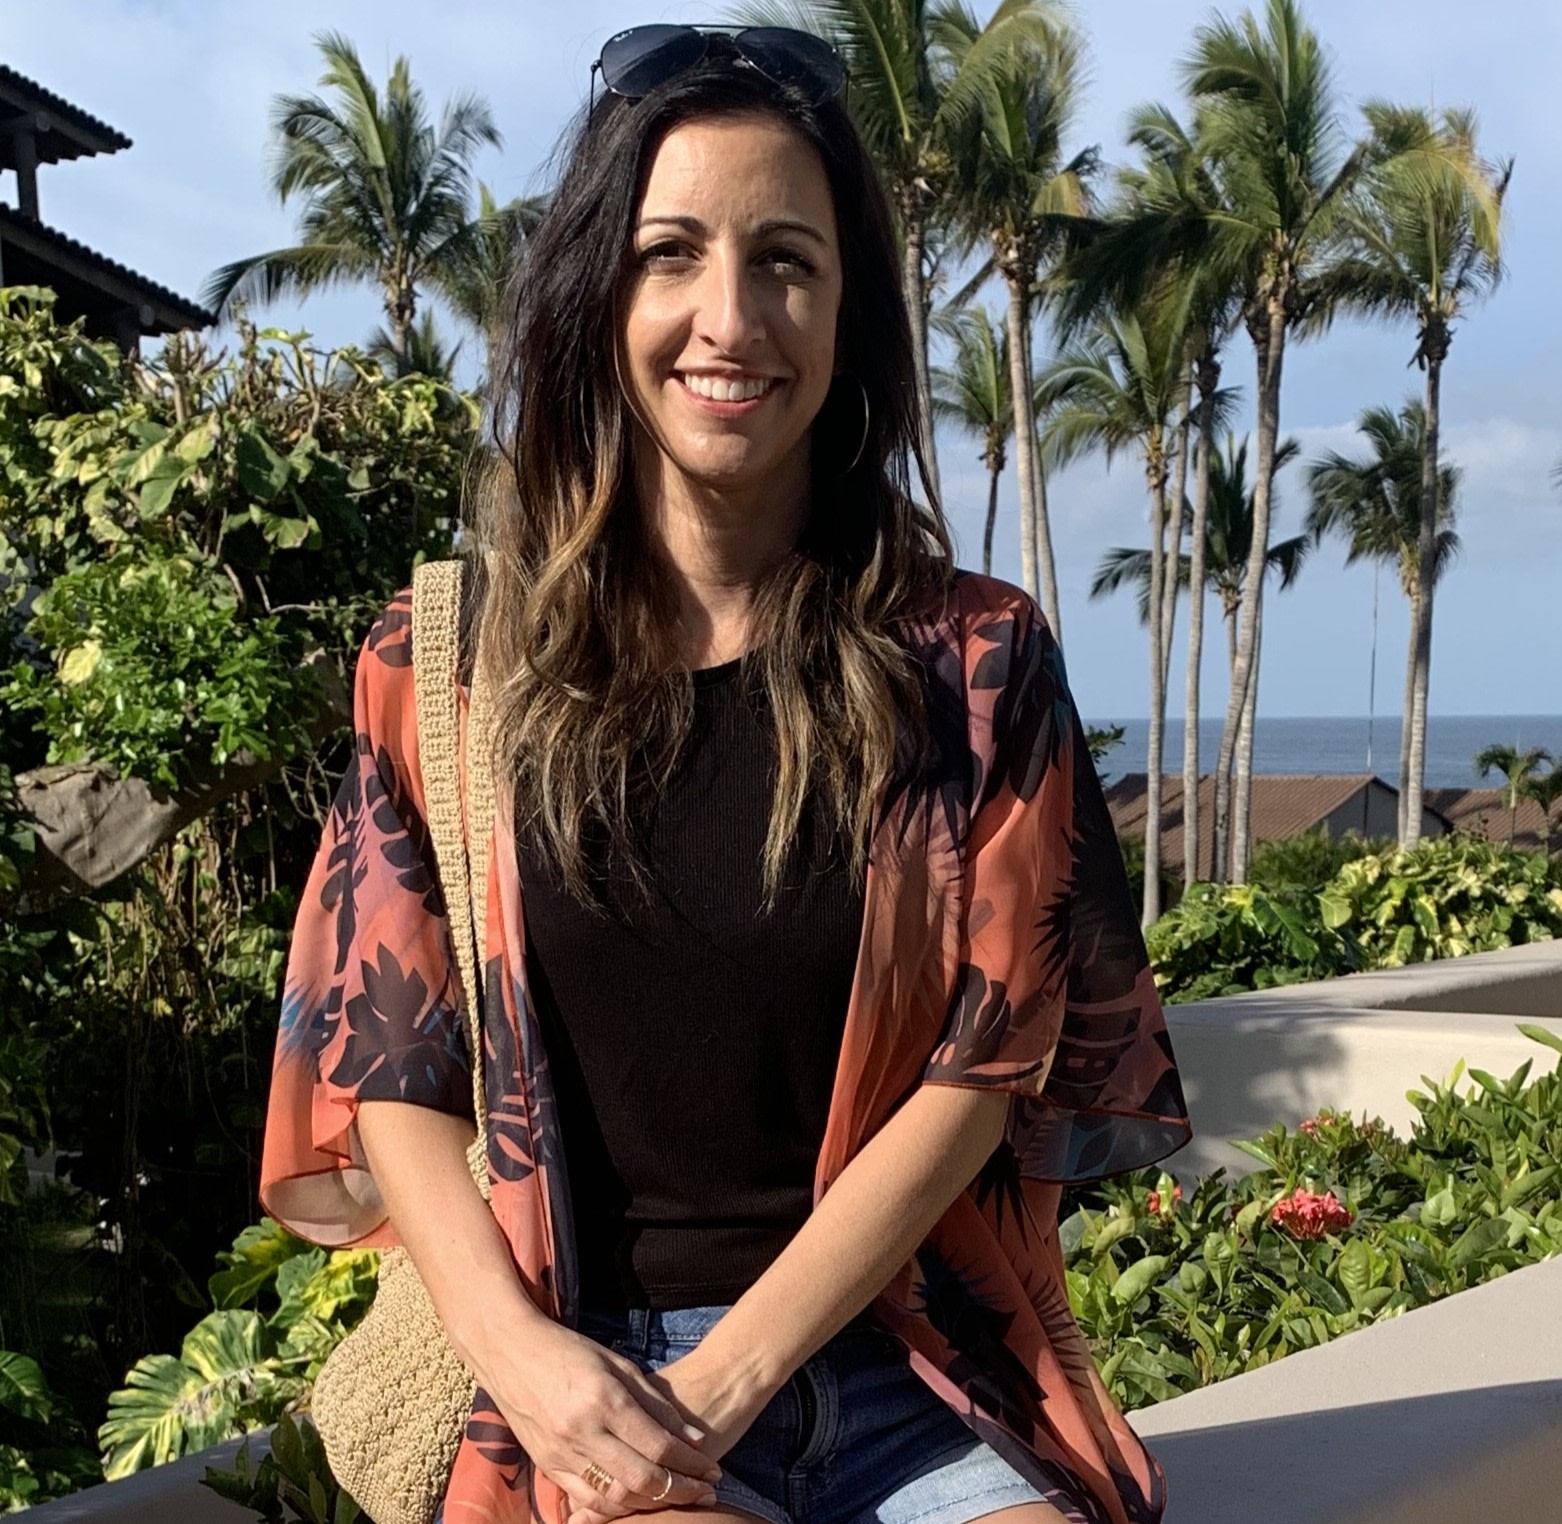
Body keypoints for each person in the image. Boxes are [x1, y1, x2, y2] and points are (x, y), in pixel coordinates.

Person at [260, 24, 1192, 1524]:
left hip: (902, 1370)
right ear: (596, 294)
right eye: (670, 254)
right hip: (584, 1380)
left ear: (847, 311)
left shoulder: (971, 662)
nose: (730, 318)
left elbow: (990, 1058)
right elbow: (388, 1060)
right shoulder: (441, 662)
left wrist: (735, 1375)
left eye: (786, 263)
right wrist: (532, 1368)